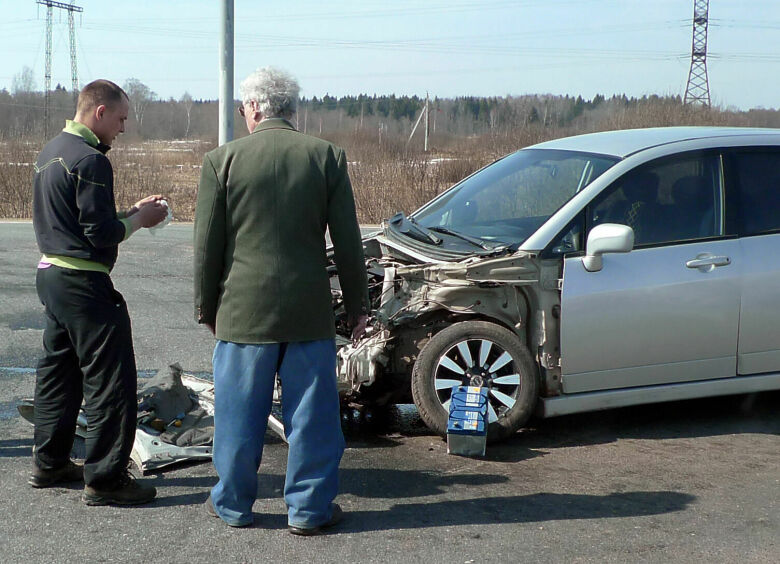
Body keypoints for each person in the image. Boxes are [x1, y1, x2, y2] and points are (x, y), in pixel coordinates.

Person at [194, 67, 369, 534]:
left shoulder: (221, 160)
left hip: (241, 311)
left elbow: (207, 246)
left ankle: (232, 504)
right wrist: (358, 308)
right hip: (307, 309)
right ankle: (309, 510)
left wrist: (206, 308)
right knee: (312, 417)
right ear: (292, 109)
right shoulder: (326, 157)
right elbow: (350, 243)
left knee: (237, 415)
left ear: (252, 108)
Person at [31, 79, 167, 505]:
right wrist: (140, 221)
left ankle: (50, 463)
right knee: (110, 381)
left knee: (59, 374)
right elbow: (99, 233)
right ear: (100, 112)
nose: (123, 129)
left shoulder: (48, 152)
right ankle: (105, 479)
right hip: (82, 284)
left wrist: (129, 212)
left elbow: (75, 224)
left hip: (51, 274)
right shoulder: (91, 161)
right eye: (122, 118)